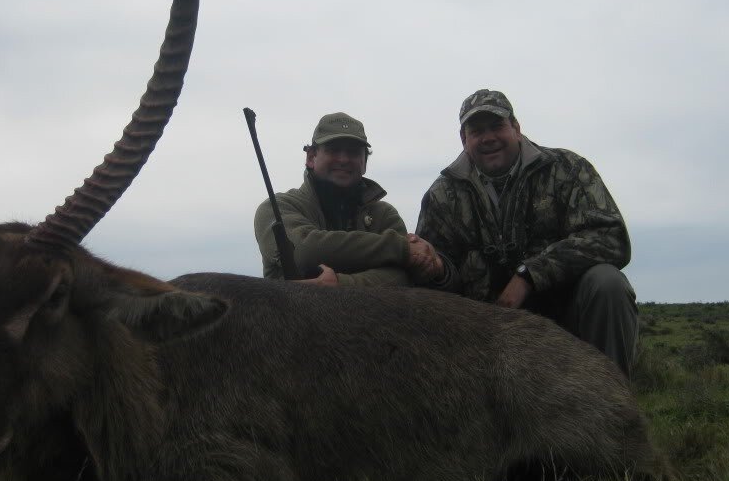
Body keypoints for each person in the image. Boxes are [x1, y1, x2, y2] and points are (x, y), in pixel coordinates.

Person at [412, 89, 638, 376]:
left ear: (516, 129)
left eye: (497, 126)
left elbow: (610, 237)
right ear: (463, 139)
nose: (489, 137)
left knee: (607, 283)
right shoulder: (441, 195)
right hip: (483, 334)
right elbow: (433, 278)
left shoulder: (567, 169)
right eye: (477, 130)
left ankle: (613, 406)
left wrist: (528, 275)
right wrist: (433, 267)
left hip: (565, 320)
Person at [254, 112, 436, 287]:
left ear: (364, 163)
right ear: (311, 157)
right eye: (333, 150)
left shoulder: (384, 215)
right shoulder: (277, 208)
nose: (343, 159)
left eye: (354, 152)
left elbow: (403, 276)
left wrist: (341, 285)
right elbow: (304, 251)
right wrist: (401, 249)